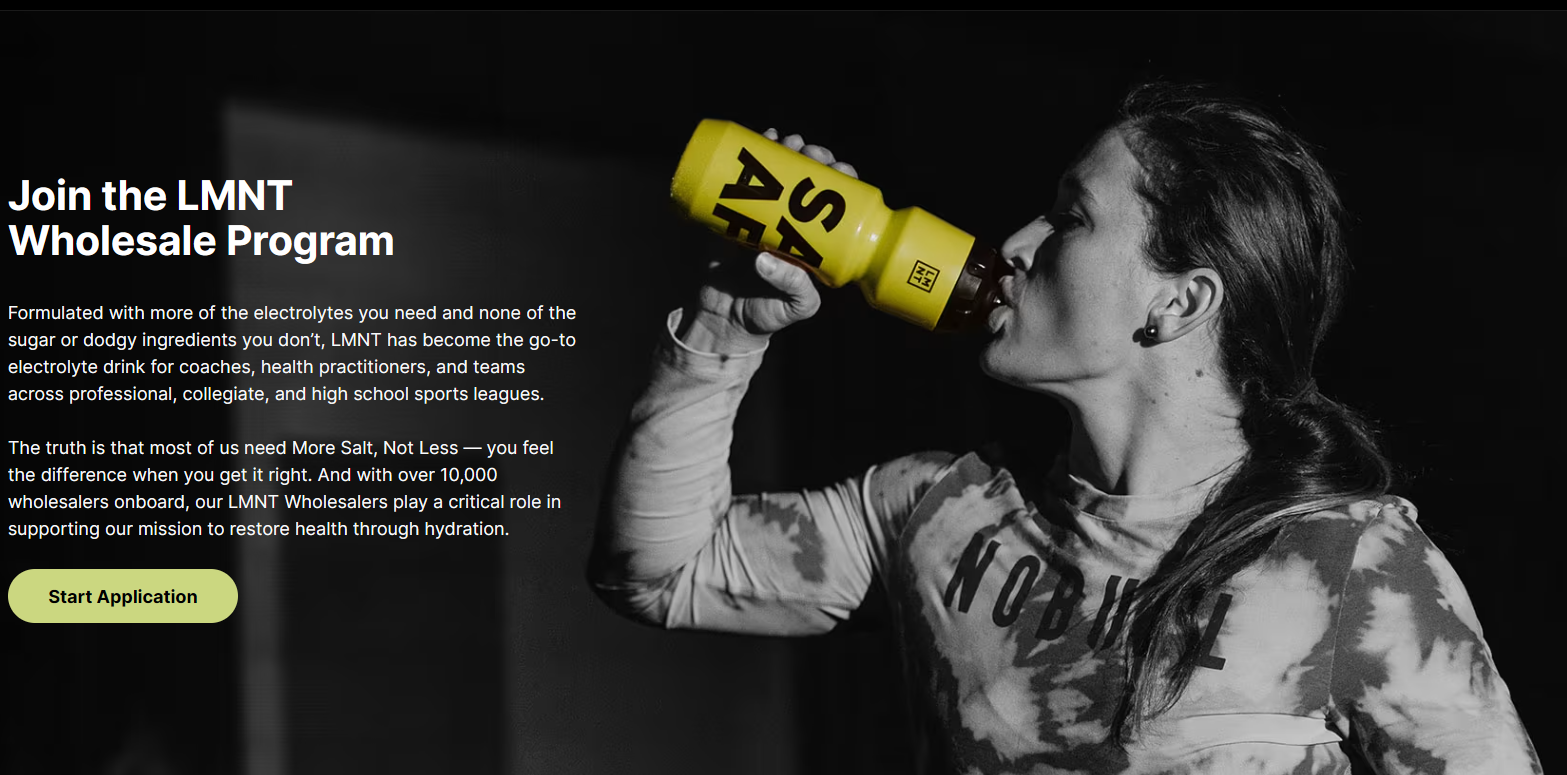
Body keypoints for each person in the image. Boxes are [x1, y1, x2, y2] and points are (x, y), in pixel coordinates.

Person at [588, 82, 1542, 773]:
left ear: (1177, 301)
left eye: (1067, 218)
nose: (1013, 245)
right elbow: (659, 571)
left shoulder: (1351, 565)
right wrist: (723, 328)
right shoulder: (936, 509)